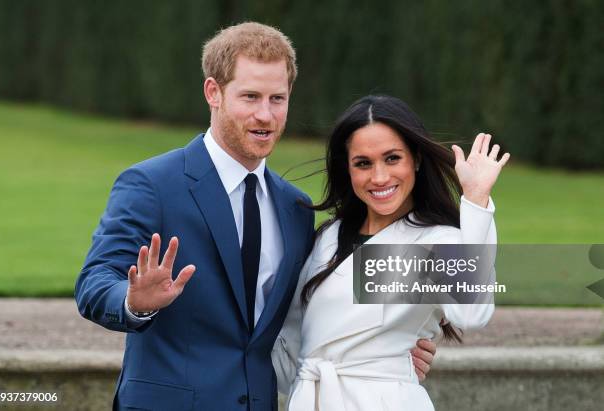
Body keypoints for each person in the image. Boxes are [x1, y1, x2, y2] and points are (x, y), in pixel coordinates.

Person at [74, 24, 436, 411]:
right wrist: (134, 302)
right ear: (213, 92)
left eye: (277, 98)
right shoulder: (151, 184)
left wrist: (385, 349)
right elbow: (93, 283)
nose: (265, 115)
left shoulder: (295, 209)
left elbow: (313, 313)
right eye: (250, 97)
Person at [272, 95, 509, 410]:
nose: (380, 177)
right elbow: (291, 347)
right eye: (363, 163)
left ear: (416, 159)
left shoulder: (436, 241)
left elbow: (471, 314)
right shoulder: (327, 237)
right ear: (348, 169)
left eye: (392, 158)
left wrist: (476, 200)